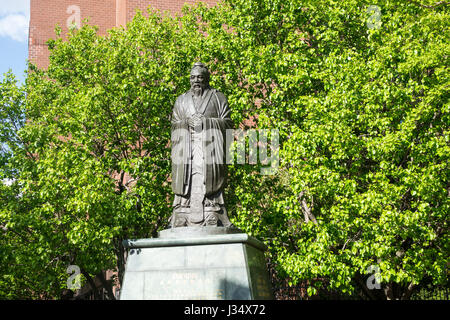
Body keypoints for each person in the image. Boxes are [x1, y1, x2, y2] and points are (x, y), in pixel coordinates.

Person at [170, 62, 233, 227]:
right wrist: (186, 123)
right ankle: (183, 208)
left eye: (199, 77)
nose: (196, 81)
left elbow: (227, 124)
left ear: (206, 79)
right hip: (187, 149)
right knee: (188, 180)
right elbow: (174, 124)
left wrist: (206, 123)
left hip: (210, 149)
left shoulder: (218, 98)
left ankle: (213, 207)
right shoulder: (181, 100)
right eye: (193, 77)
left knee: (209, 179)